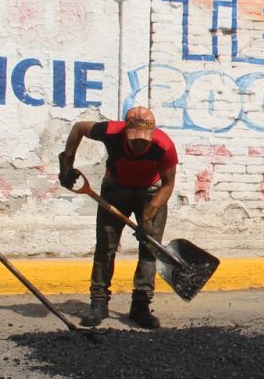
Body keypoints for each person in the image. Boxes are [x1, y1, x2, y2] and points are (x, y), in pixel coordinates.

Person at [59, 106, 178, 329]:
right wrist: (67, 163)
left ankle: (140, 306)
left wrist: (148, 218)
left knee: (149, 249)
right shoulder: (110, 131)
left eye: (144, 139)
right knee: (105, 246)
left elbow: (168, 186)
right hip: (115, 188)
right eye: (135, 139)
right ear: (125, 131)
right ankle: (99, 303)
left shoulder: (164, 146)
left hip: (151, 193)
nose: (140, 143)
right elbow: (77, 129)